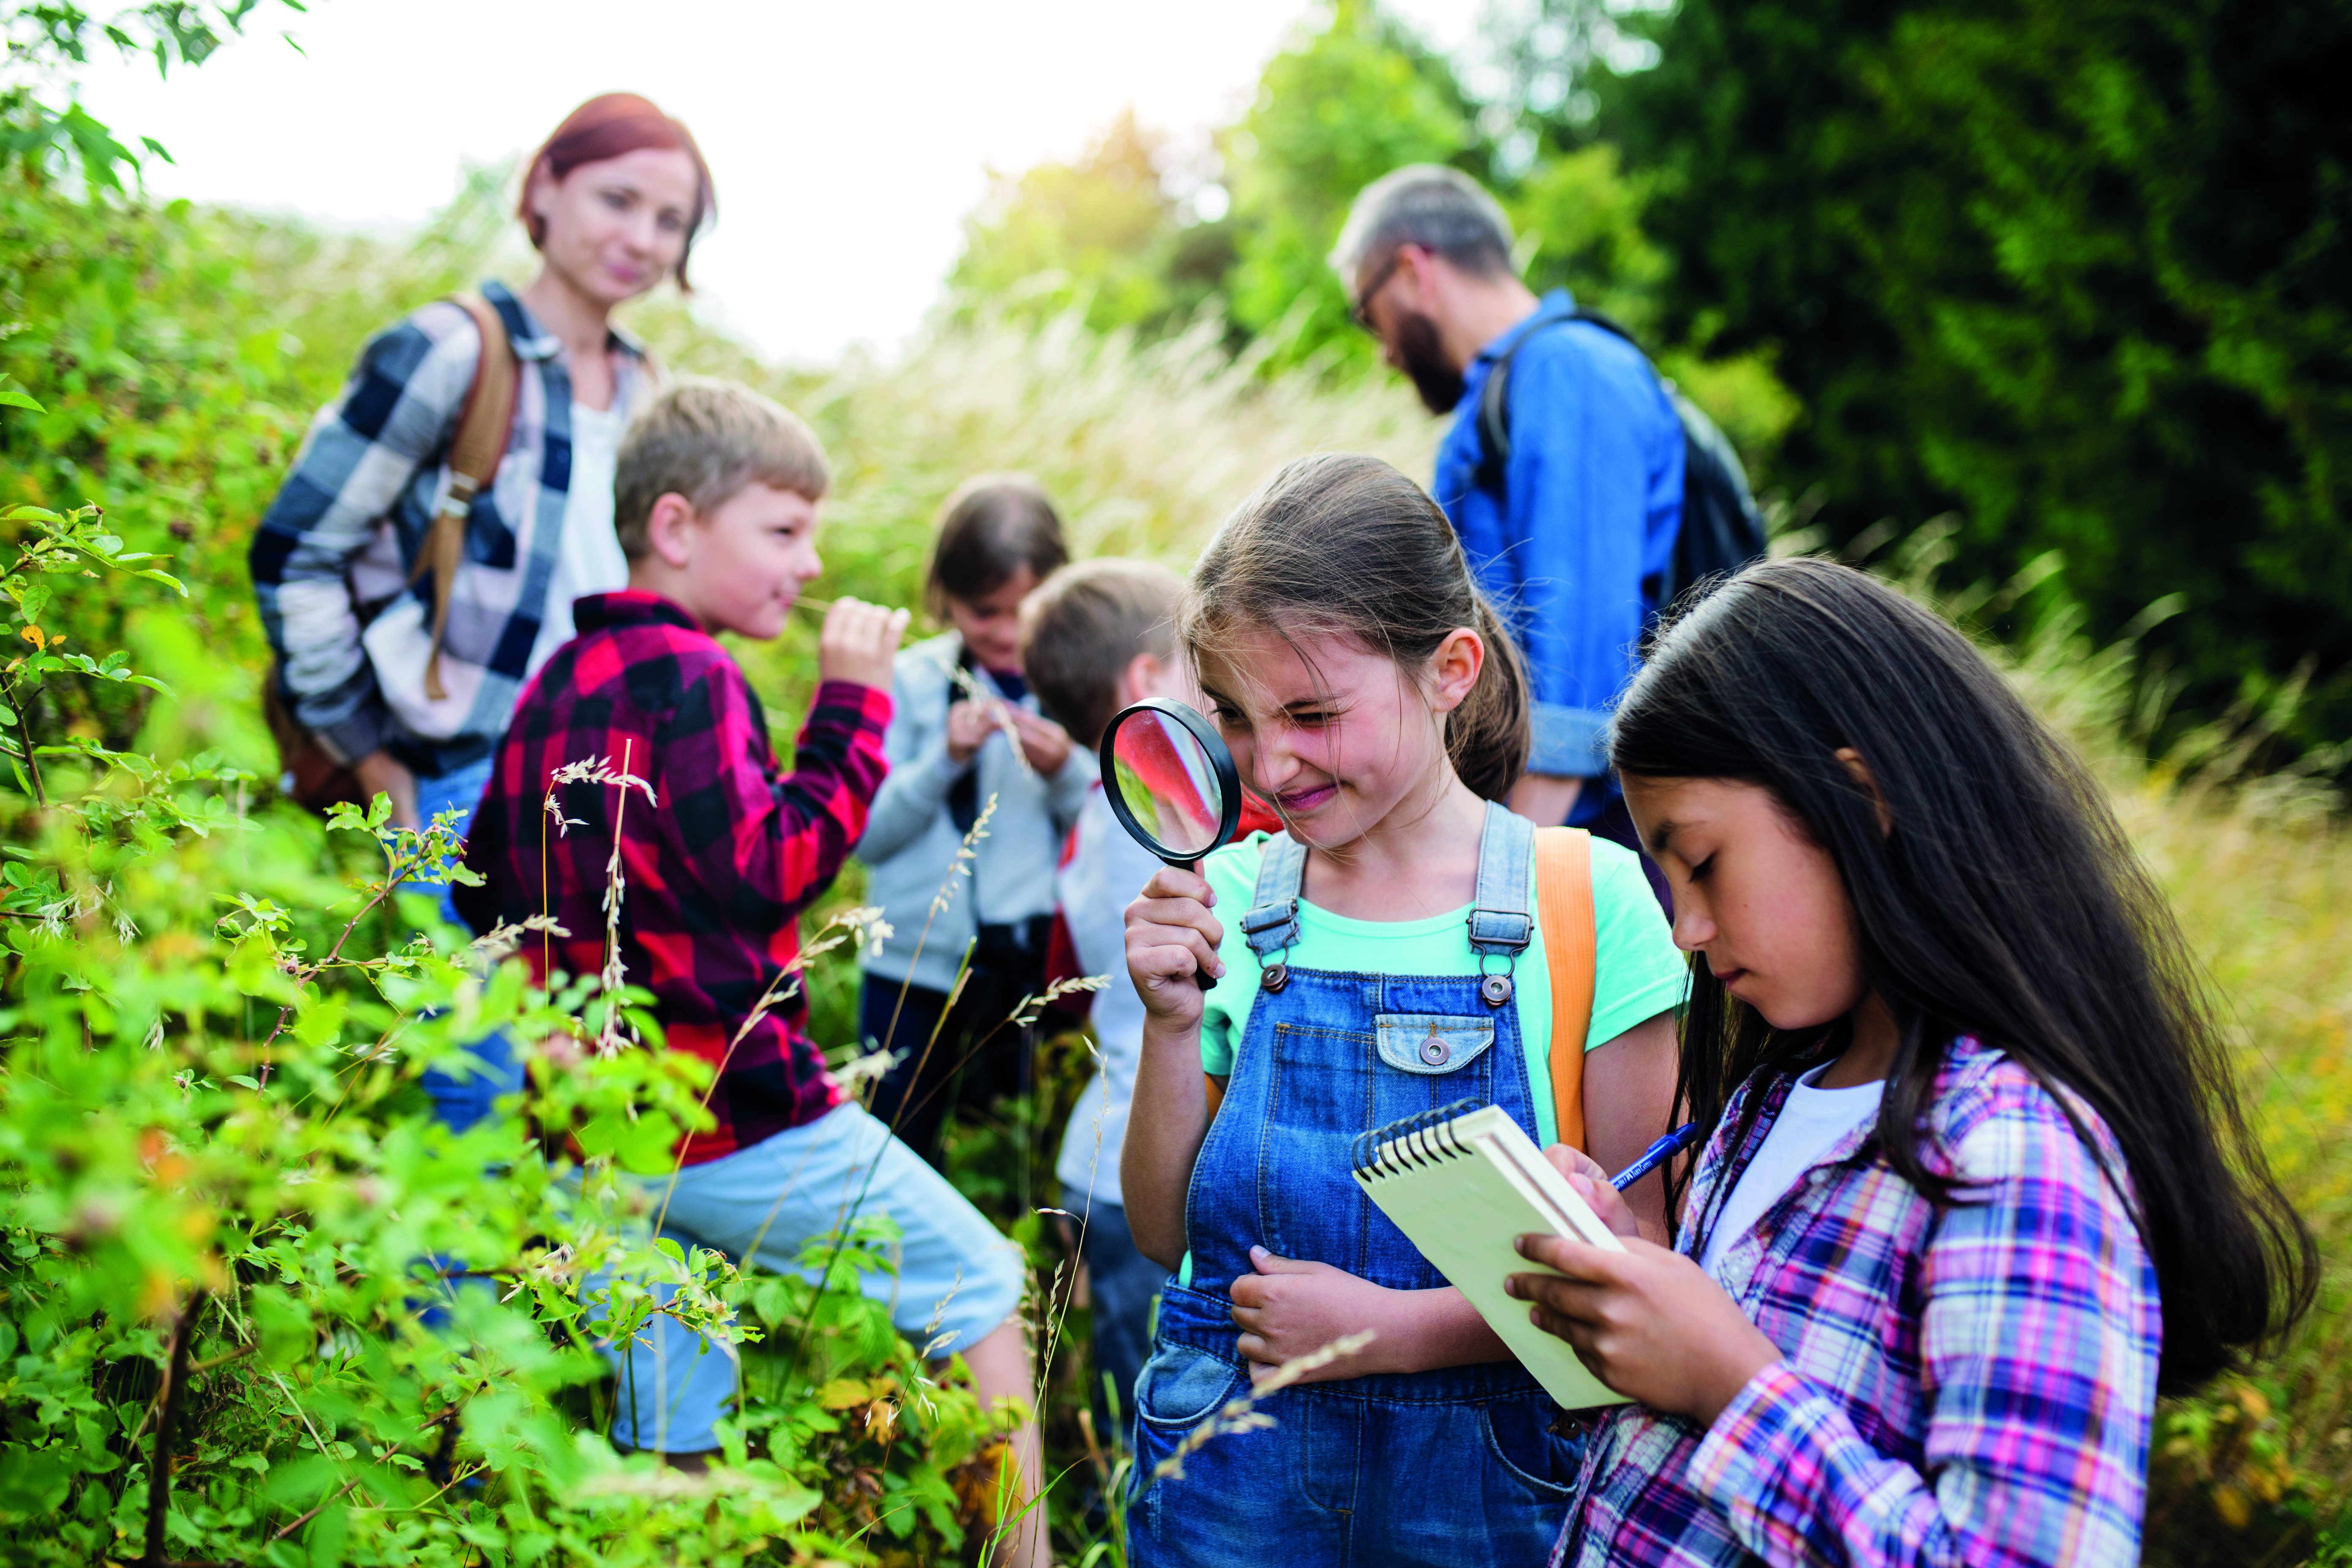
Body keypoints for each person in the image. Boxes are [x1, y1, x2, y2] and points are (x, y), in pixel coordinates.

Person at [1503, 558, 2316, 1566]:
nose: (1689, 929)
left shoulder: (2014, 1151)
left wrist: (1730, 1385)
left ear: (1863, 795)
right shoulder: (1768, 1101)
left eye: (1704, 862)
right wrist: (1632, 1278)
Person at [454, 381, 1051, 1567]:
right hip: (733, 1116)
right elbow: (773, 870)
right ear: (676, 528)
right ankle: (1027, 1561)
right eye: (782, 531)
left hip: (605, 1135)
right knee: (984, 1286)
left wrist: (546, 1033)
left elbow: (476, 890)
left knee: (671, 1425)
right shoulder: (695, 676)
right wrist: (851, 707)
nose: (810, 560)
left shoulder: (557, 681)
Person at [1116, 454, 1688, 1567]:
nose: (1273, 764)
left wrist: (1389, 1334)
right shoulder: (1231, 898)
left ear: (1450, 670)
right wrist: (1171, 1026)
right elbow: (1161, 1232)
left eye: (1316, 713)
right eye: (1237, 717)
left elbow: (1645, 1253)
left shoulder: (1589, 900)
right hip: (1231, 1479)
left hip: (1487, 1489)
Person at [253, 91, 713, 842]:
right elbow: (295, 555)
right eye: (617, 200)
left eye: (670, 222)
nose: (642, 238)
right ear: (544, 187)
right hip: (461, 776)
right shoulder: (453, 348)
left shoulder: (650, 389)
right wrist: (368, 755)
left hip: (596, 780)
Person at [1331, 164, 1683, 851]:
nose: (1382, 352)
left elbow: (1580, 662)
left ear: (1412, 271)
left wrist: (1504, 876)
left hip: (1591, 839)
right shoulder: (1509, 390)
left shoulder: (1566, 369)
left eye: (1366, 313)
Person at [856, 476, 1094, 1168]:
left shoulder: (1079, 688)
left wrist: (1066, 773)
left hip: (1031, 968)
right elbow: (868, 836)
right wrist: (943, 760)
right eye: (984, 611)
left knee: (1018, 1157)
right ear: (946, 598)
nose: (1006, 633)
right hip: (910, 968)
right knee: (893, 1148)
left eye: (1027, 610)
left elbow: (1114, 830)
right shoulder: (909, 681)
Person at [1015, 558, 1196, 1440]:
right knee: (1153, 1416)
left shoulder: (1096, 809)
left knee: (1132, 1379)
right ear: (1145, 684)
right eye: (1200, 668)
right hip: (1138, 1171)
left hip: (1103, 1150)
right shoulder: (1164, 820)